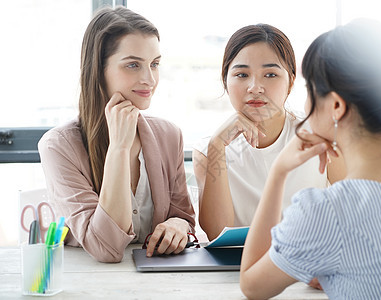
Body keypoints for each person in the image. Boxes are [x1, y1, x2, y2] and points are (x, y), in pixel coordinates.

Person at [240, 18, 381, 299]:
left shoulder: (325, 212)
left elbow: (252, 285)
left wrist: (279, 172)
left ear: (336, 106)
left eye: (309, 92)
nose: (305, 107)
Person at [38, 6, 195, 263]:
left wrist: (178, 226)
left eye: (154, 64)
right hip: (91, 282)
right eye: (133, 65)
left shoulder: (169, 135)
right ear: (98, 70)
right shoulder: (58, 147)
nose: (150, 79)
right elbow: (106, 248)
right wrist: (119, 148)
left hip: (159, 281)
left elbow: (185, 218)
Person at [193, 24, 344, 241]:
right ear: (226, 80)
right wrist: (217, 145)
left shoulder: (319, 132)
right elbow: (218, 233)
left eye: (270, 74)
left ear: (291, 82)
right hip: (239, 268)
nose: (255, 87)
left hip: (311, 263)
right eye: (242, 74)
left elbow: (356, 208)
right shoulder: (210, 148)